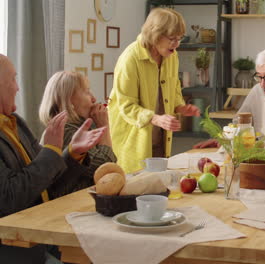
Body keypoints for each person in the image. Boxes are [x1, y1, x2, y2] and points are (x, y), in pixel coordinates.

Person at [0, 55, 105, 262]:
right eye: (13, 79)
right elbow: (9, 199)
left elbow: (45, 184)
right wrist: (50, 150)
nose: (18, 88)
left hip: (41, 240)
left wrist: (73, 153)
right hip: (17, 251)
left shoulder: (15, 123)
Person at [108, 8, 200, 173]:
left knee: (158, 188)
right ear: (155, 35)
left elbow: (174, 87)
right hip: (132, 141)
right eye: (172, 38)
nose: (176, 44)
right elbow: (126, 106)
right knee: (136, 191)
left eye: (179, 39)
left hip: (160, 138)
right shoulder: (130, 59)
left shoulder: (172, 56)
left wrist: (180, 107)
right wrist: (156, 119)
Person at [38, 71, 117, 198]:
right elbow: (105, 168)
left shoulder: (82, 126)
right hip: (66, 208)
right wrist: (104, 126)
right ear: (68, 99)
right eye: (86, 92)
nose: (93, 99)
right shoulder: (65, 131)